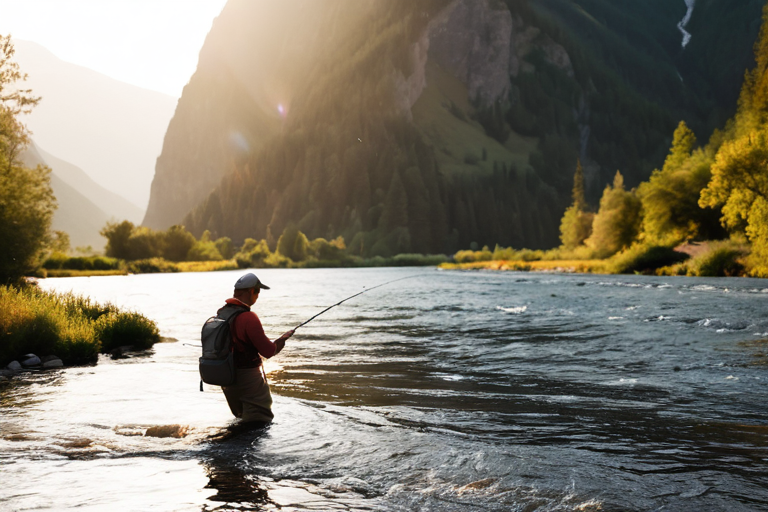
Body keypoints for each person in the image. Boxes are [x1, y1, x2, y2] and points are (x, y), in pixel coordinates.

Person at [219, 272, 294, 425]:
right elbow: (268, 351)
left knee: (242, 421)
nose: (258, 296)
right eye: (258, 291)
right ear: (250, 291)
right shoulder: (248, 317)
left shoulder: (223, 313)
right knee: (260, 421)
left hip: (226, 377)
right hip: (247, 377)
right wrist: (282, 340)